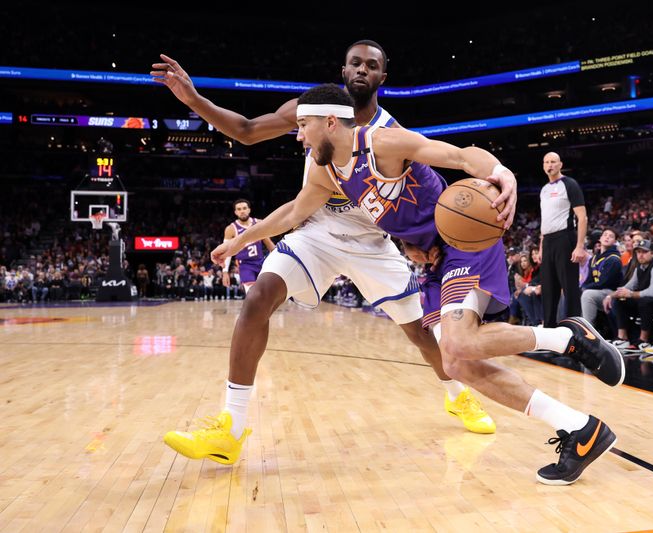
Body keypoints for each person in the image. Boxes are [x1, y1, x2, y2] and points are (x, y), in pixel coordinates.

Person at [213, 83, 625, 485]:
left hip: (462, 239)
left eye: (304, 126)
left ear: (330, 122)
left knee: (459, 346)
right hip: (431, 262)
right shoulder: (327, 174)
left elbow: (460, 156)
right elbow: (290, 214)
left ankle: (567, 337)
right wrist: (238, 243)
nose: (298, 136)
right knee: (457, 363)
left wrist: (502, 173)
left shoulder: (382, 143)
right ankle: (580, 428)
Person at [153, 41, 497, 467]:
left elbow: (424, 198)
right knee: (258, 297)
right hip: (316, 232)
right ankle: (231, 427)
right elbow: (245, 130)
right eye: (355, 62)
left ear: (381, 78)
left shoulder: (391, 134)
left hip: (372, 242)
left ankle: (456, 395)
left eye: (371, 65)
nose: (361, 70)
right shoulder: (310, 109)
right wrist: (194, 98)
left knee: (420, 335)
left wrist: (418, 240)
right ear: (343, 68)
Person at [537, 153, 587, 327]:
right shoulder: (544, 189)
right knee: (548, 290)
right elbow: (545, 220)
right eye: (546, 162)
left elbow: (582, 217)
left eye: (553, 162)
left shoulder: (570, 184)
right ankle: (549, 331)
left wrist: (580, 246)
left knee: (569, 288)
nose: (549, 165)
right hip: (548, 241)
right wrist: (542, 247)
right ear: (543, 166)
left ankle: (575, 331)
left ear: (560, 164)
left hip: (565, 238)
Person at [222, 199, 276, 294]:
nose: (242, 211)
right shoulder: (231, 229)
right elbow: (226, 252)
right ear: (235, 212)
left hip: (261, 262)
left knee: (267, 294)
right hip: (245, 265)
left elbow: (269, 244)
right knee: (252, 294)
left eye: (244, 208)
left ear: (249, 210)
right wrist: (225, 271)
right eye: (239, 209)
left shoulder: (259, 223)